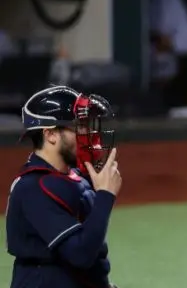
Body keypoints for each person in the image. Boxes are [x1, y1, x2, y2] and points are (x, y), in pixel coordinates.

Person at [5, 86, 123, 288]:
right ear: (51, 134)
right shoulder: (33, 188)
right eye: (78, 126)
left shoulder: (74, 179)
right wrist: (104, 195)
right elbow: (80, 254)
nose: (88, 134)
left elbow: (92, 253)